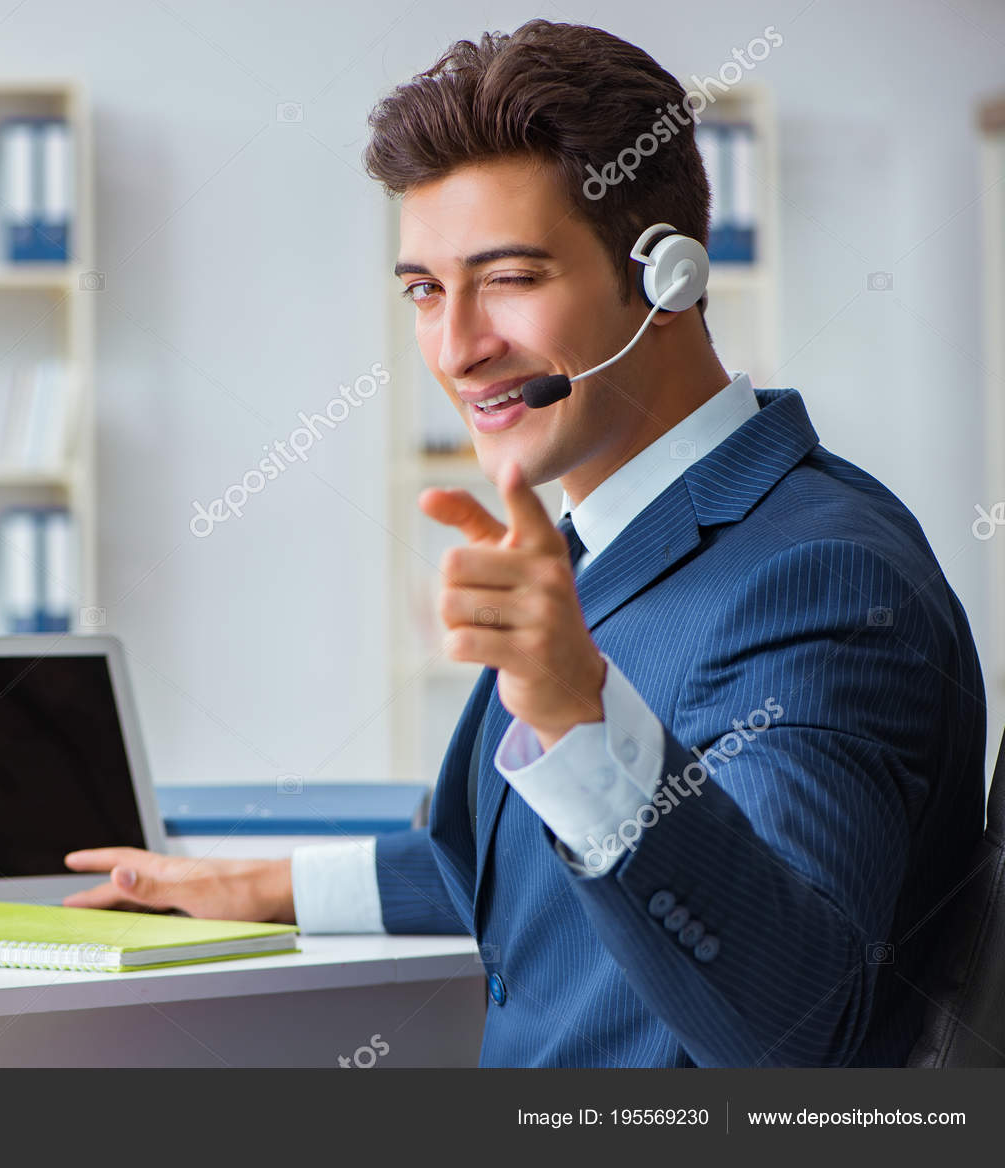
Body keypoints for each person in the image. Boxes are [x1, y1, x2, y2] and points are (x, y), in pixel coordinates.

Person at [66, 20, 986, 1067]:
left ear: (667, 277)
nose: (457, 348)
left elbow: (795, 1024)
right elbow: (510, 861)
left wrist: (576, 712)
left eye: (507, 277)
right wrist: (253, 884)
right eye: (424, 289)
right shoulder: (601, 547)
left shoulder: (817, 577)